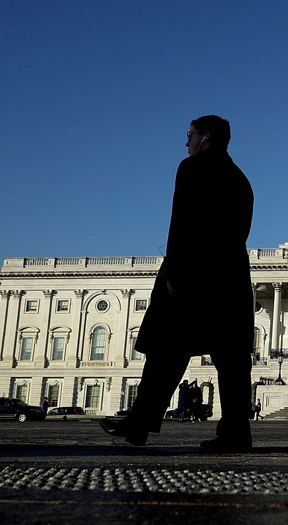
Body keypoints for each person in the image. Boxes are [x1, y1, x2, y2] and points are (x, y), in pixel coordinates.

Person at [101, 115, 254, 451]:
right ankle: (236, 433)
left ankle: (139, 422)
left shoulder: (193, 168)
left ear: (206, 136)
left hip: (194, 276)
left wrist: (175, 276)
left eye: (190, 134)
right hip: (230, 279)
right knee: (231, 362)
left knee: (166, 353)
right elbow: (239, 234)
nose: (186, 142)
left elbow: (181, 224)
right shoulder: (241, 180)